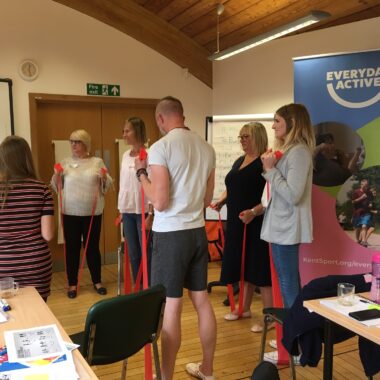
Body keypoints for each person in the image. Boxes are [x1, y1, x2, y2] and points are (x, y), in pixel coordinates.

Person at [135, 96, 216, 380]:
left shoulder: (161, 147)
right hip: (197, 231)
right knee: (202, 301)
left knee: (172, 304)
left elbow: (160, 202)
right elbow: (207, 198)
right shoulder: (207, 148)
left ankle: (165, 376)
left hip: (171, 235)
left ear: (160, 119)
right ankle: (207, 369)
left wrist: (141, 175)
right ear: (182, 114)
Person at [260, 103, 315, 363]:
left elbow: (293, 195)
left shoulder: (300, 153)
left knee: (290, 287)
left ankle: (296, 346)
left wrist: (270, 171)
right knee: (288, 285)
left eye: (277, 121)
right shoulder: (292, 151)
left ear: (292, 124)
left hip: (286, 229)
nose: (273, 126)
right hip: (280, 228)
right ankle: (291, 338)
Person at [211, 122, 272, 333]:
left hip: (256, 222)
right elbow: (232, 186)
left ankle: (270, 317)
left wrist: (253, 212)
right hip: (237, 221)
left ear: (257, 137)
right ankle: (243, 309)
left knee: (260, 270)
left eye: (246, 137)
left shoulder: (266, 162)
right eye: (241, 137)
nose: (242, 141)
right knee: (244, 266)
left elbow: (270, 197)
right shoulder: (239, 160)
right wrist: (221, 201)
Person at [51, 129, 113, 299]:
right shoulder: (64, 163)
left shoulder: (97, 162)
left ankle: (97, 281)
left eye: (77, 142)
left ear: (85, 144)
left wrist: (103, 178)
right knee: (71, 248)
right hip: (69, 212)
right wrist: (57, 175)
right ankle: (72, 283)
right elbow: (57, 187)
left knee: (92, 247)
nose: (73, 145)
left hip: (92, 213)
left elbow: (107, 186)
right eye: (71, 141)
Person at [0, 136, 54, 301]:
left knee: (6, 317)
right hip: (35, 265)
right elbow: (48, 234)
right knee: (37, 314)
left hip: (2, 264)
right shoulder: (42, 189)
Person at [118, 117, 153, 285]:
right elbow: (124, 183)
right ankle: (138, 288)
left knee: (147, 252)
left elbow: (152, 182)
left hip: (144, 211)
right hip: (128, 210)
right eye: (124, 131)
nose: (124, 134)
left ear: (137, 132)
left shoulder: (149, 154)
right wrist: (121, 210)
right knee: (133, 253)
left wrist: (151, 214)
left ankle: (149, 287)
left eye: (127, 131)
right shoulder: (125, 155)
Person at [351, 179, 372, 246]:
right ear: (361, 185)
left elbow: (370, 200)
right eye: (364, 185)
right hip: (358, 212)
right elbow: (353, 202)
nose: (365, 187)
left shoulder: (369, 192)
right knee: (358, 228)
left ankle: (363, 241)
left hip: (366, 212)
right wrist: (361, 198)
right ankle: (358, 240)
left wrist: (370, 203)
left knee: (364, 225)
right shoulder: (356, 192)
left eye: (366, 186)